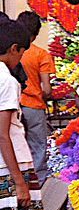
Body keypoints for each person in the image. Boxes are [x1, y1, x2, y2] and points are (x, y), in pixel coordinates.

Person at [0, 20, 50, 210]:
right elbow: (3, 134)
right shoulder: (6, 81)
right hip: (8, 168)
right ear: (14, 49)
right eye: (22, 53)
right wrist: (19, 181)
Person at [18, 11, 55, 185]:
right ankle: (38, 185)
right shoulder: (41, 54)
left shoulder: (10, 51)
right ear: (36, 33)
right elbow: (46, 88)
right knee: (38, 147)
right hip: (34, 107)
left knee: (16, 145)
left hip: (13, 106)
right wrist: (46, 94)